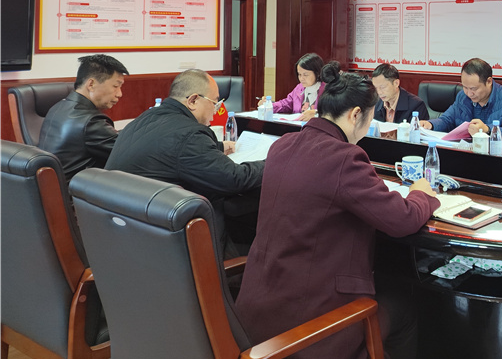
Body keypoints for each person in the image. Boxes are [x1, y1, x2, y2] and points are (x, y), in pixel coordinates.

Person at [236, 62, 439, 359]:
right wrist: (421, 193)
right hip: (310, 329)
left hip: (255, 315)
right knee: (402, 306)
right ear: (356, 115)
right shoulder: (345, 157)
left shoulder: (283, 145)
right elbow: (402, 219)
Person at [106, 69, 264, 256]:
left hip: (124, 232)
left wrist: (220, 147)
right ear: (193, 100)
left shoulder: (145, 118)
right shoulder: (190, 135)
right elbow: (234, 178)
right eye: (214, 103)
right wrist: (275, 161)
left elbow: (168, 146)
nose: (216, 110)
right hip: (169, 244)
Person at [38, 54, 129, 180]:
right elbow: (129, 152)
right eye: (115, 86)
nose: (119, 94)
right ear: (91, 84)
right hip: (77, 191)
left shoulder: (57, 107)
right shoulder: (91, 122)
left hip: (55, 186)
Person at [420, 58, 502, 142]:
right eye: (465, 87)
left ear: (489, 81)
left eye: (473, 89)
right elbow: (447, 120)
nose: (469, 93)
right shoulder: (463, 96)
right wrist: (430, 125)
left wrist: (487, 130)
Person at [261, 52, 325, 121]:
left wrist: (316, 113)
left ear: (317, 73)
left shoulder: (327, 90)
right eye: (299, 74)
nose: (301, 78)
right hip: (298, 125)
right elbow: (285, 104)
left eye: (305, 75)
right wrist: (268, 105)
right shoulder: (299, 88)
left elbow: (332, 113)